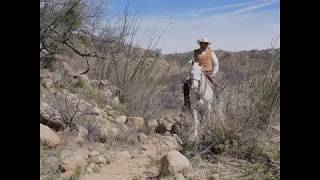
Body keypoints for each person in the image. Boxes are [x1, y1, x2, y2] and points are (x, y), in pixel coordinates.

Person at [182, 38, 219, 111]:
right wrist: (193, 67)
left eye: (205, 43)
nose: (204, 45)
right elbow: (192, 62)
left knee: (216, 84)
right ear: (200, 44)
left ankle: (217, 101)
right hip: (197, 72)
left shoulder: (211, 52)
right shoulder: (195, 52)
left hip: (208, 72)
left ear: (207, 44)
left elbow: (216, 64)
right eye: (202, 43)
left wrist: (214, 73)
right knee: (186, 83)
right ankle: (187, 102)